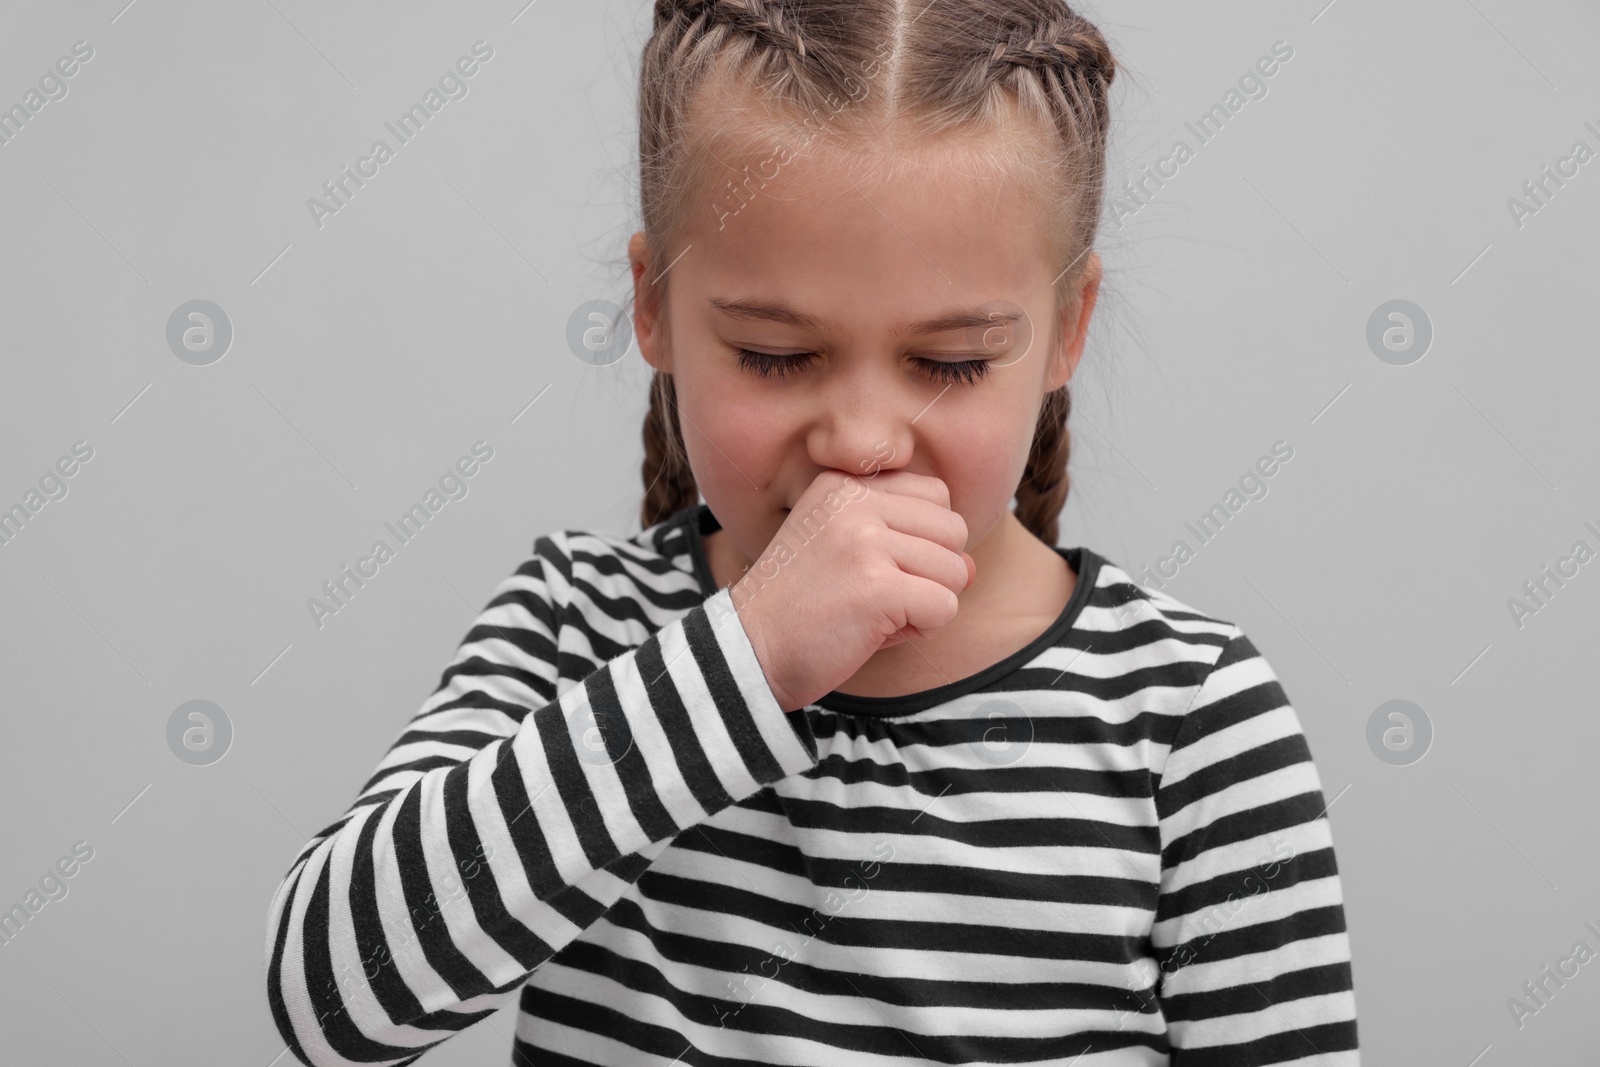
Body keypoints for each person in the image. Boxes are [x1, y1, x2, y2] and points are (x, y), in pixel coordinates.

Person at [263, 1, 1360, 1063]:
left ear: (1068, 328)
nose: (865, 440)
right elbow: (330, 1000)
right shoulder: (576, 625)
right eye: (775, 355)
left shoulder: (1189, 720)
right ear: (653, 305)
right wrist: (744, 657)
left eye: (950, 363)